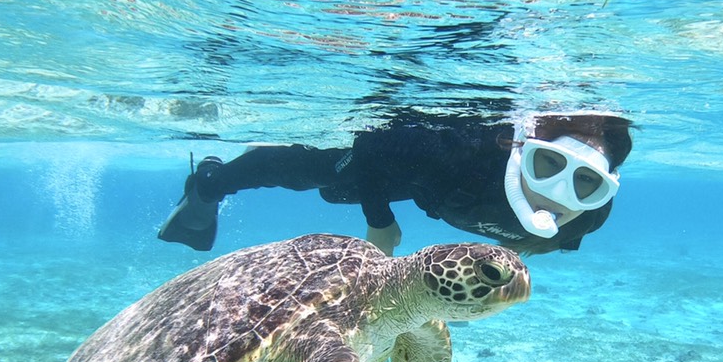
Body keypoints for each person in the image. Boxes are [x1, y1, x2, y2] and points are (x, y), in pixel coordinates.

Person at [157, 111, 632, 256]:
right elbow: (374, 149)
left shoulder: (591, 215)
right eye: (548, 165)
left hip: (428, 192)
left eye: (587, 184)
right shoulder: (459, 153)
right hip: (406, 167)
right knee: (315, 172)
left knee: (337, 189)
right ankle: (210, 182)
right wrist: (381, 223)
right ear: (521, 151)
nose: (557, 194)